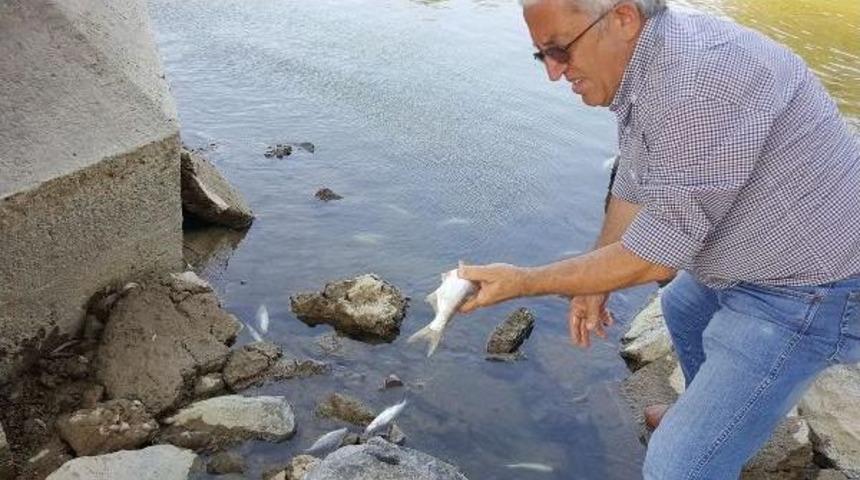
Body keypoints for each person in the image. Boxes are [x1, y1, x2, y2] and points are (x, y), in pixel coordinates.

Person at [457, 0, 860, 478]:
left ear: (623, 18)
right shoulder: (651, 62)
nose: (553, 72)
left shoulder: (698, 84)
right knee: (683, 308)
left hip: (813, 290)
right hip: (762, 253)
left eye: (560, 50)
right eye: (542, 56)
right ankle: (714, 422)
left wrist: (523, 281)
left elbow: (655, 259)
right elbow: (632, 181)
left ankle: (704, 445)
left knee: (675, 467)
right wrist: (592, 280)